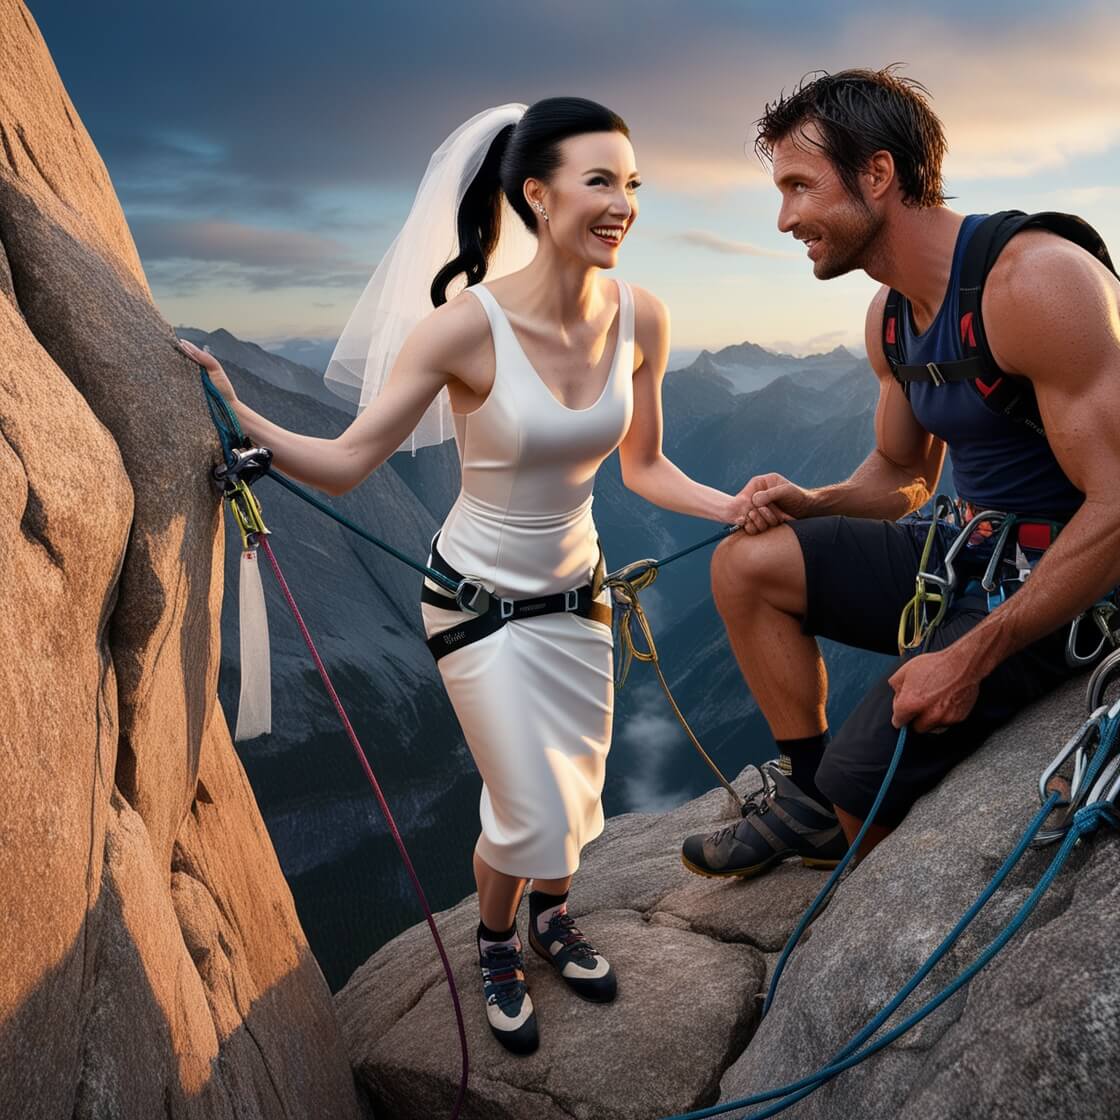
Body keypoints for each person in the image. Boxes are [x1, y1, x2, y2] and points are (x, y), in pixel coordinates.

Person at [183, 98, 750, 1054]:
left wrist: (731, 508)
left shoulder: (641, 316)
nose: (624, 204)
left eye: (633, 183)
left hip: (581, 596)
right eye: (600, 181)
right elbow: (350, 460)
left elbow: (645, 468)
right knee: (527, 805)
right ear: (535, 192)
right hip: (476, 603)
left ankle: (551, 918)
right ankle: (496, 941)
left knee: (577, 789)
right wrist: (245, 420)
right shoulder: (464, 330)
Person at [680, 67, 1120, 880]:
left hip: (1070, 582)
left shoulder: (1034, 284)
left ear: (877, 174)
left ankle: (843, 820)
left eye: (800, 187)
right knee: (748, 565)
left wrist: (974, 654)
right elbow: (901, 474)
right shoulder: (891, 317)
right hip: (969, 551)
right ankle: (811, 797)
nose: (785, 219)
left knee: (865, 789)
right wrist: (815, 502)